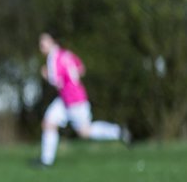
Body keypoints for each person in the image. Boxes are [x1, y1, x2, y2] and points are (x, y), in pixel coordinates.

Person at [34, 32, 131, 168]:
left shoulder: (53, 58)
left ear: (52, 42)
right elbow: (81, 69)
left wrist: (45, 75)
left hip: (74, 100)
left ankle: (117, 132)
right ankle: (46, 161)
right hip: (66, 99)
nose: (41, 46)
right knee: (49, 122)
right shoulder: (66, 54)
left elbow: (55, 81)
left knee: (85, 132)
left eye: (43, 42)